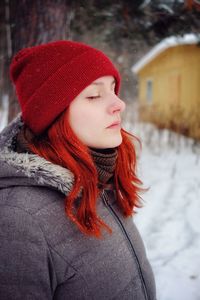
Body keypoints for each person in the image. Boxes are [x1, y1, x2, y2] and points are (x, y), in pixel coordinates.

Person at [0, 40, 156, 300]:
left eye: (114, 89)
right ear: (53, 116)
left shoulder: (102, 176)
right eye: (94, 95)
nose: (119, 103)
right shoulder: (17, 219)